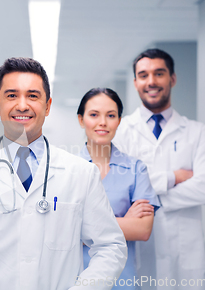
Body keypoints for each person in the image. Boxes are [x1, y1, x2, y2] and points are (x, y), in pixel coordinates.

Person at [0, 57, 127, 290]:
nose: (22, 105)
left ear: (47, 106)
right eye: (12, 95)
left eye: (33, 96)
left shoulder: (81, 173)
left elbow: (111, 247)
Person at [113, 49, 205, 289]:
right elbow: (121, 190)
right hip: (140, 253)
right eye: (143, 75)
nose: (151, 81)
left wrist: (147, 196)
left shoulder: (197, 132)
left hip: (186, 254)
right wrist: (174, 177)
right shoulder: (121, 131)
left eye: (159, 73)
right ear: (135, 82)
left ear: (172, 78)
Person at [77, 88, 160, 289]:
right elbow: (59, 231)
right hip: (77, 279)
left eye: (111, 115)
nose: (103, 122)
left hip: (122, 280)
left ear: (119, 121)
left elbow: (143, 230)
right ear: (81, 120)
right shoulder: (66, 169)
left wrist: (82, 228)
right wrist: (125, 222)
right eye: (94, 114)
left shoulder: (135, 168)